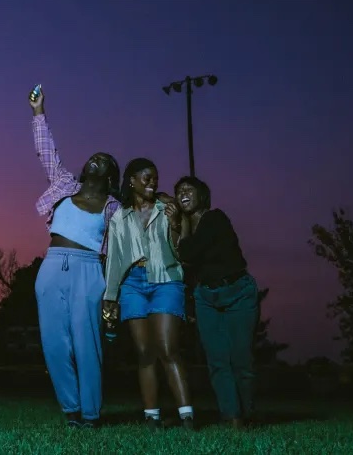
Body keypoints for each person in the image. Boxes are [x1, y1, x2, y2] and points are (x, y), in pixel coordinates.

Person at [29, 85, 121, 429]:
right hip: (52, 267)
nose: (96, 158)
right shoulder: (64, 185)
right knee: (54, 344)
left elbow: (120, 250)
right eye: (93, 157)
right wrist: (39, 112)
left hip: (89, 272)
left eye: (105, 160)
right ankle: (70, 410)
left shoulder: (115, 209)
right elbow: (46, 152)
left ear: (111, 175)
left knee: (88, 346)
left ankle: (91, 414)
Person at [103, 158, 194, 431]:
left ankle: (187, 417)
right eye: (146, 177)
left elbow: (182, 250)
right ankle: (151, 417)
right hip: (132, 285)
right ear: (131, 180)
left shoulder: (167, 208)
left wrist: (177, 222)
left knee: (167, 348)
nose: (153, 182)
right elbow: (114, 259)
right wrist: (110, 297)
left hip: (166, 279)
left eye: (155, 177)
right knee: (144, 352)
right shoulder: (119, 217)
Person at [172, 175, 259, 429]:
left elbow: (186, 253)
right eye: (179, 192)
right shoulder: (188, 227)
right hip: (207, 297)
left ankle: (248, 414)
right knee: (218, 360)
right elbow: (184, 262)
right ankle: (232, 418)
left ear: (202, 195)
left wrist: (184, 226)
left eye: (189, 189)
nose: (183, 193)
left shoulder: (215, 218)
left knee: (241, 359)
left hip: (238, 291)